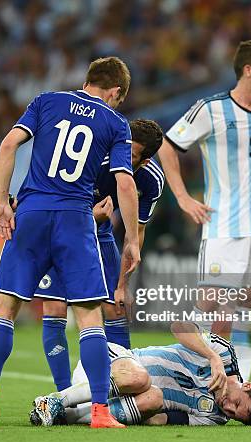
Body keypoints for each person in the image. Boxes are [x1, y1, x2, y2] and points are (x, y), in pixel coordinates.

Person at [0, 57, 140, 429]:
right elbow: (124, 183)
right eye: (119, 98)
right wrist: (132, 241)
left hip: (32, 213)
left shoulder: (45, 101)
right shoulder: (115, 123)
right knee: (90, 317)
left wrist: (1, 203)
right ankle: (101, 413)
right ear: (116, 91)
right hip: (76, 219)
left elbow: (9, 145)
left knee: (4, 307)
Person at [157, 39, 251, 380]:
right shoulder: (210, 109)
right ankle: (187, 373)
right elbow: (167, 145)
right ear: (248, 70)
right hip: (223, 224)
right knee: (209, 301)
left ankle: (240, 380)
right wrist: (181, 196)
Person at [36, 119, 164, 392]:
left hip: (100, 233)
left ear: (145, 160)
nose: (121, 155)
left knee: (116, 306)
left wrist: (122, 286)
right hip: (60, 226)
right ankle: (63, 393)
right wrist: (89, 215)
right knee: (55, 306)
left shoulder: (151, 181)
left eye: (130, 155)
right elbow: (56, 199)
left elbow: (135, 235)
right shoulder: (94, 156)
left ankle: (124, 387)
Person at [30, 336, 251, 427]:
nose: (228, 409)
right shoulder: (223, 354)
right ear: (248, 386)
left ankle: (66, 415)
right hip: (107, 362)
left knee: (155, 398)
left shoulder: (214, 417)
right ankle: (55, 400)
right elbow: (179, 327)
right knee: (141, 378)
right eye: (236, 402)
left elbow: (162, 419)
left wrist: (146, 412)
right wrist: (212, 357)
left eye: (234, 415)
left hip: (103, 400)